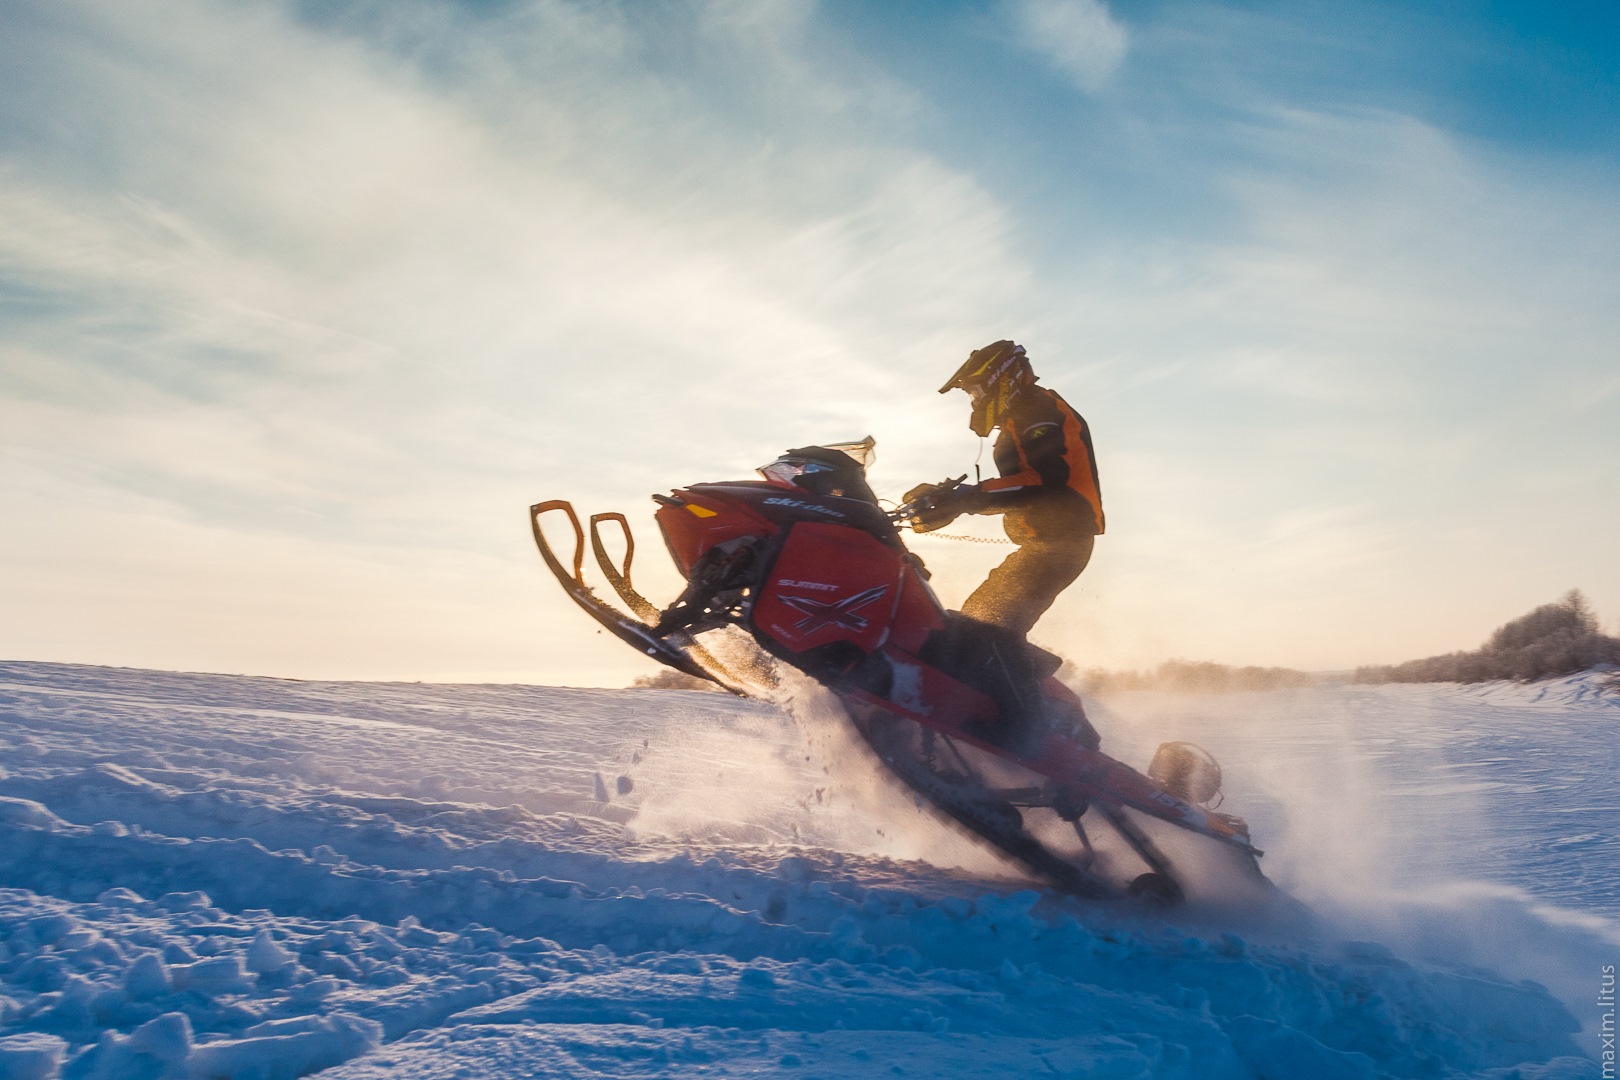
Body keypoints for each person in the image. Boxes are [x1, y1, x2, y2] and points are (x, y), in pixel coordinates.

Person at [904, 339, 1104, 754]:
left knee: (988, 634)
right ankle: (1028, 699)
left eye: (975, 391)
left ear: (1001, 380)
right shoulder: (1022, 417)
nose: (974, 401)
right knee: (974, 626)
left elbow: (1045, 480)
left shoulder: (1037, 411)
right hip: (1045, 545)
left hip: (1061, 544)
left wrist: (964, 500)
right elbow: (1024, 489)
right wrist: (951, 498)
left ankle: (1025, 733)